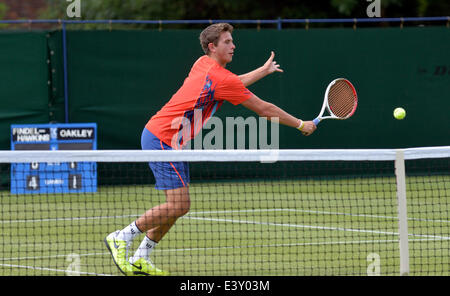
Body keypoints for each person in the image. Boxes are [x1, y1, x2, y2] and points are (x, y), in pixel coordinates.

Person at [104, 22, 316, 276]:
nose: (233, 45)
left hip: (167, 140)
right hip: (161, 138)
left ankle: (142, 256)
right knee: (179, 205)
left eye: (232, 40)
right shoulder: (219, 76)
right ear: (212, 47)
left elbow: (233, 84)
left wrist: (262, 70)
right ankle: (122, 236)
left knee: (179, 205)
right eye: (227, 41)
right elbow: (264, 109)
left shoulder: (202, 64)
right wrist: (301, 124)